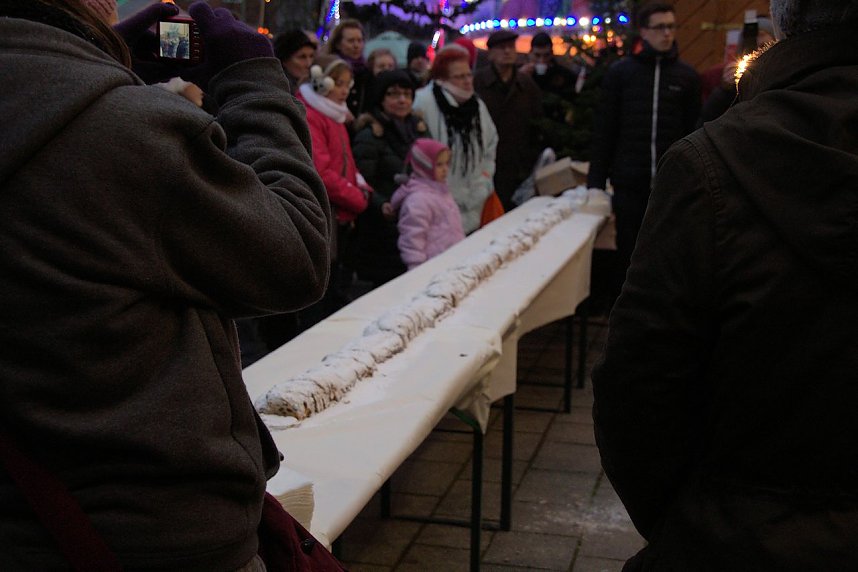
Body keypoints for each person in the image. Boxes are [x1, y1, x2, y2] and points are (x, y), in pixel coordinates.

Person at [0, 1, 330, 570]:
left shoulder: (46, 109)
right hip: (153, 533)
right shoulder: (114, 128)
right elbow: (295, 252)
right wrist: (251, 76)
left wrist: (91, 57)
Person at [591, 0, 858, 569]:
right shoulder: (705, 157)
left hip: (738, 538)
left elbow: (638, 390)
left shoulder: (713, 162)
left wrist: (695, 517)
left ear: (785, 16)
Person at [586, 1, 700, 304]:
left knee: (667, 253)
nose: (667, 33)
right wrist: (596, 182)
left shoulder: (686, 77)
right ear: (644, 31)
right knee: (628, 253)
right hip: (629, 183)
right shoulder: (622, 74)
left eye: (671, 26)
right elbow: (605, 130)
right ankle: (624, 315)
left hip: (669, 185)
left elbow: (693, 131)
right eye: (660, 27)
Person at [297, 53, 372, 323]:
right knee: (322, 295)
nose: (344, 91)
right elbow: (322, 171)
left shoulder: (335, 116)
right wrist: (358, 198)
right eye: (339, 83)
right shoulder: (313, 116)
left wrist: (359, 183)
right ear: (322, 82)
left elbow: (345, 162)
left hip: (340, 216)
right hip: (326, 213)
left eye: (347, 84)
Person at [352, 69, 429, 287]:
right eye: (394, 94)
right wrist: (382, 204)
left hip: (416, 220)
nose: (402, 100)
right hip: (383, 228)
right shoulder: (370, 135)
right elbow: (362, 180)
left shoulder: (419, 128)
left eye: (407, 94)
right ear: (381, 98)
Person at [412, 44, 498, 235]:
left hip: (476, 201)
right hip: (438, 207)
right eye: (460, 77)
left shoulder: (477, 106)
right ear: (442, 79)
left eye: (469, 75)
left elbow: (491, 144)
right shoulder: (423, 103)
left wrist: (484, 179)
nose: (468, 81)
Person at [473, 29, 543, 212]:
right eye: (501, 48)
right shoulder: (478, 83)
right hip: (484, 165)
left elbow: (538, 124)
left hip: (517, 166)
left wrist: (528, 161)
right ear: (490, 54)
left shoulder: (526, 85)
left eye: (511, 47)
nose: (507, 52)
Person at [391, 139, 465, 269]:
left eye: (447, 163)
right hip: (432, 267)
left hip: (452, 261)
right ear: (424, 166)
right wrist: (417, 269)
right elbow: (412, 237)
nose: (445, 169)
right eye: (439, 165)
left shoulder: (442, 192)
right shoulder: (418, 200)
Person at [698, 15, 776, 125]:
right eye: (751, 38)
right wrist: (725, 88)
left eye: (761, 35)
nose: (756, 42)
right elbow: (708, 118)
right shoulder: (720, 74)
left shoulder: (779, 73)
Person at [324, 18, 371, 119]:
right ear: (338, 44)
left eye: (359, 40)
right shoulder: (327, 69)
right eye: (351, 41)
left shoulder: (367, 71)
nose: (356, 45)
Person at [274, 28, 317, 93]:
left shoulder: (315, 85)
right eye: (302, 57)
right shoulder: (277, 91)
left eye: (311, 56)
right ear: (284, 61)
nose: (309, 64)